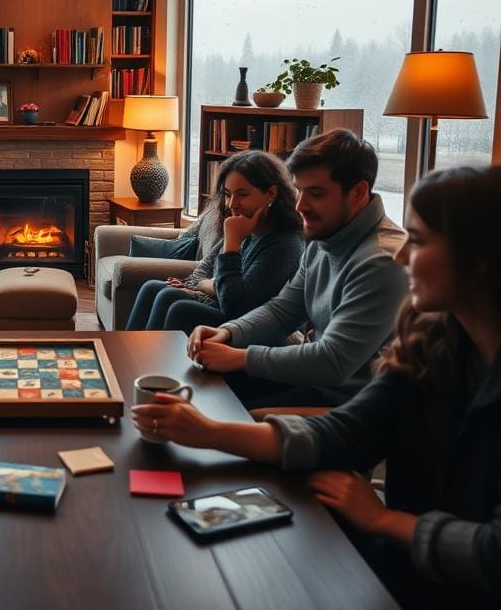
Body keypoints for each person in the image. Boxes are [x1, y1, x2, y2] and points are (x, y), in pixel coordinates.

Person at [133, 166, 501, 608]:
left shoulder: (373, 263)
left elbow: (491, 554)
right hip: (402, 553)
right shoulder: (432, 343)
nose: (403, 256)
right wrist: (207, 431)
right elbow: (351, 430)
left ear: (479, 256)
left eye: (418, 241)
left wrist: (382, 520)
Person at [187, 129, 407, 409]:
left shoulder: (382, 261)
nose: (301, 206)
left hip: (351, 406)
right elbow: (283, 311)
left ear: (359, 193)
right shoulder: (323, 239)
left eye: (315, 193)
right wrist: (229, 333)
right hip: (315, 384)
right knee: (194, 388)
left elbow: (333, 362)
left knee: (213, 408)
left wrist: (240, 357)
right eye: (299, 190)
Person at [125, 150, 303, 332]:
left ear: (271, 194)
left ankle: (152, 361)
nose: (231, 204)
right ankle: (123, 358)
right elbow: (217, 277)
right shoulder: (248, 228)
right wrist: (195, 287)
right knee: (152, 287)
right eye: (227, 194)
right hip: (226, 306)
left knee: (177, 306)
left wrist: (228, 252)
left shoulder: (284, 244)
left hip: (249, 326)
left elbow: (235, 305)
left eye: (242, 195)